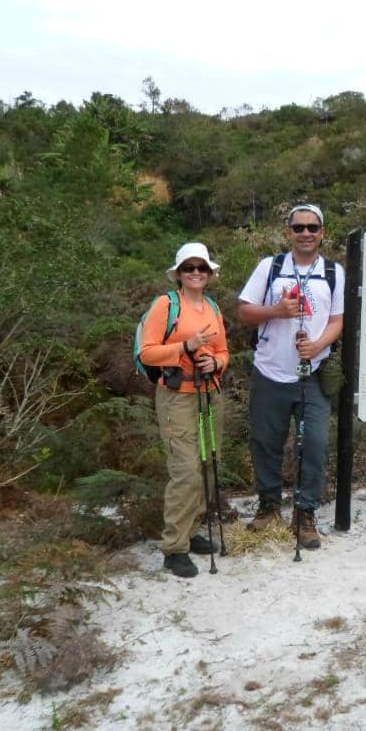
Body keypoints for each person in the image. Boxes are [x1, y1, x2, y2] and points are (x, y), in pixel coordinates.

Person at [237, 203, 344, 549]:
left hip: (312, 375)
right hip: (270, 372)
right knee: (265, 443)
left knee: (314, 444)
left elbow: (337, 321)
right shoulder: (270, 267)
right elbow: (244, 311)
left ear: (322, 232)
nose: (306, 234)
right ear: (289, 232)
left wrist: (317, 346)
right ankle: (269, 507)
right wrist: (277, 310)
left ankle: (305, 512)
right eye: (299, 228)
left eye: (313, 227)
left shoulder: (333, 272)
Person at [139, 242, 229, 578]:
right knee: (186, 470)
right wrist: (186, 347)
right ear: (178, 273)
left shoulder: (212, 307)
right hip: (177, 397)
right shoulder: (165, 305)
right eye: (189, 268)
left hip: (209, 392)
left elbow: (223, 351)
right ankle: (174, 548)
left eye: (201, 268)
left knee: (207, 465)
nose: (195, 273)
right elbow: (148, 353)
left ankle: (191, 533)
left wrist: (214, 360)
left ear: (209, 273)